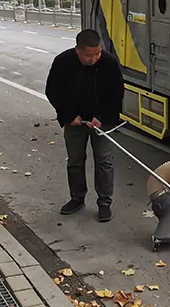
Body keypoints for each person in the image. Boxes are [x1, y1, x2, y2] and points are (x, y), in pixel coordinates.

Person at [45, 30, 124, 222]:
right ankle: (77, 198)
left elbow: (117, 94)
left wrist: (102, 117)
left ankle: (104, 202)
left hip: (101, 121)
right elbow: (53, 91)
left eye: (97, 53)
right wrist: (69, 115)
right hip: (75, 120)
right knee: (75, 159)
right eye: (89, 55)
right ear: (78, 50)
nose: (95, 58)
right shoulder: (63, 62)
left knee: (104, 160)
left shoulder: (109, 62)